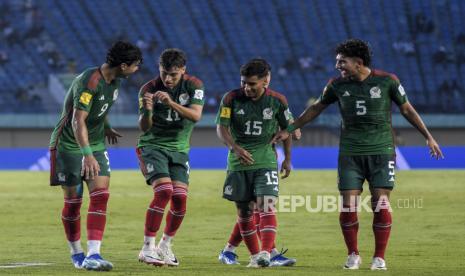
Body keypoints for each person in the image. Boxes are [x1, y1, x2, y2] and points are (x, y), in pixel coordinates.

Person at [272, 39, 443, 270]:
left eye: (342, 62)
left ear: (358, 63)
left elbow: (407, 109)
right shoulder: (336, 85)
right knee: (348, 206)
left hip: (381, 152)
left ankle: (379, 257)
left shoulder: (387, 81)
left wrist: (428, 136)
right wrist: (290, 129)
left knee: (380, 204)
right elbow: (316, 108)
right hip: (350, 153)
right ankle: (353, 254)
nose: (337, 66)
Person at [49, 41, 142, 271]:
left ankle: (94, 254)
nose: (137, 69)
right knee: (73, 203)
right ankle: (76, 253)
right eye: (135, 65)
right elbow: (77, 120)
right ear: (123, 65)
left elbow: (99, 109)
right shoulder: (89, 81)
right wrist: (87, 155)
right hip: (69, 146)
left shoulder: (115, 81)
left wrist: (106, 125)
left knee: (100, 196)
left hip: (96, 144)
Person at [217, 62, 300, 267]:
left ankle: (266, 253)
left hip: (266, 161)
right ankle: (255, 256)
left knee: (266, 206)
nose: (247, 87)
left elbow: (287, 128)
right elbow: (222, 127)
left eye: (252, 84)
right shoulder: (230, 98)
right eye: (244, 83)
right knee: (246, 212)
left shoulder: (277, 101)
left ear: (266, 80)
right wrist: (235, 148)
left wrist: (288, 159)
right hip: (239, 163)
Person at [136, 48, 205, 267]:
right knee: (164, 191)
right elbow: (144, 128)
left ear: (183, 71)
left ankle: (165, 245)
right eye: (164, 72)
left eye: (173, 74)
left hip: (179, 149)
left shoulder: (195, 86)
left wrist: (170, 103)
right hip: (152, 146)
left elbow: (195, 116)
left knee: (180, 199)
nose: (167, 78)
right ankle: (147, 247)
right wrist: (147, 111)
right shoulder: (148, 89)